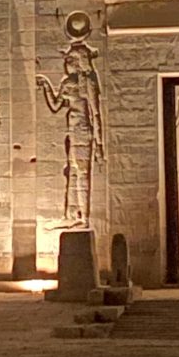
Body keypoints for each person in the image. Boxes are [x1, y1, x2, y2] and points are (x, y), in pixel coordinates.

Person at [36, 42, 103, 227]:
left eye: (71, 59)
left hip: (82, 131)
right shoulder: (67, 83)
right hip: (72, 132)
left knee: (82, 173)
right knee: (72, 172)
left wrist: (99, 143)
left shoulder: (87, 81)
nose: (67, 63)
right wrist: (46, 86)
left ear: (80, 61)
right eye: (67, 59)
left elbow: (95, 112)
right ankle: (72, 215)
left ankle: (85, 218)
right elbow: (56, 105)